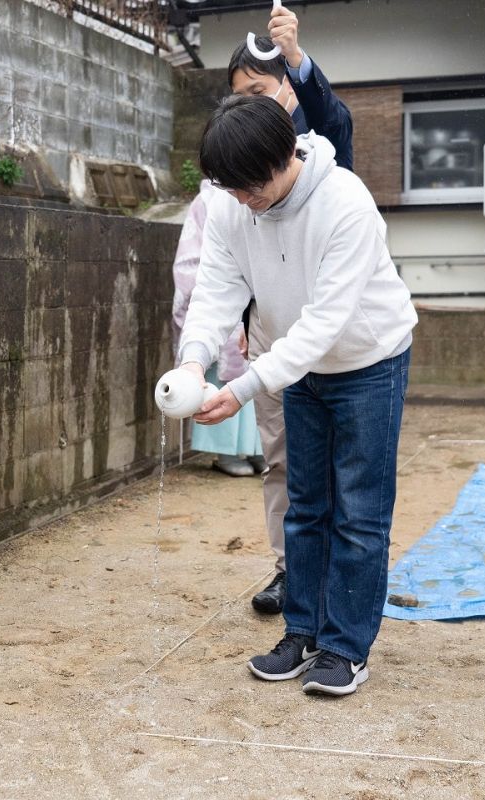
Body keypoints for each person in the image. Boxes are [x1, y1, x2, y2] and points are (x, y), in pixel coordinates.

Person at [177, 95, 416, 695]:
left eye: (248, 187)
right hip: (295, 364)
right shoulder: (235, 205)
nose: (240, 200)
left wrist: (241, 387)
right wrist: (192, 361)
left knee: (359, 513)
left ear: (287, 156)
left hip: (367, 361)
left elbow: (325, 323)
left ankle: (345, 648)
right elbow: (215, 291)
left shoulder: (345, 204)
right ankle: (303, 631)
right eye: (230, 189)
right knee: (305, 504)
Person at [226, 6, 354, 613]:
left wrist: (299, 61)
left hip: (337, 334)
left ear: (285, 87)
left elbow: (336, 124)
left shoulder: (323, 151)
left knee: (342, 467)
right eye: (238, 97)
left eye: (260, 90)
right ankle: (290, 568)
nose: (250, 105)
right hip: (271, 332)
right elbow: (225, 267)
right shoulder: (237, 173)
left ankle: (340, 578)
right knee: (280, 460)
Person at [172, 182, 264, 477]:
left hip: (254, 301)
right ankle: (224, 452)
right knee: (217, 382)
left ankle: (258, 449)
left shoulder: (262, 194)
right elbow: (191, 259)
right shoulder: (208, 201)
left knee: (261, 376)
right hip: (220, 299)